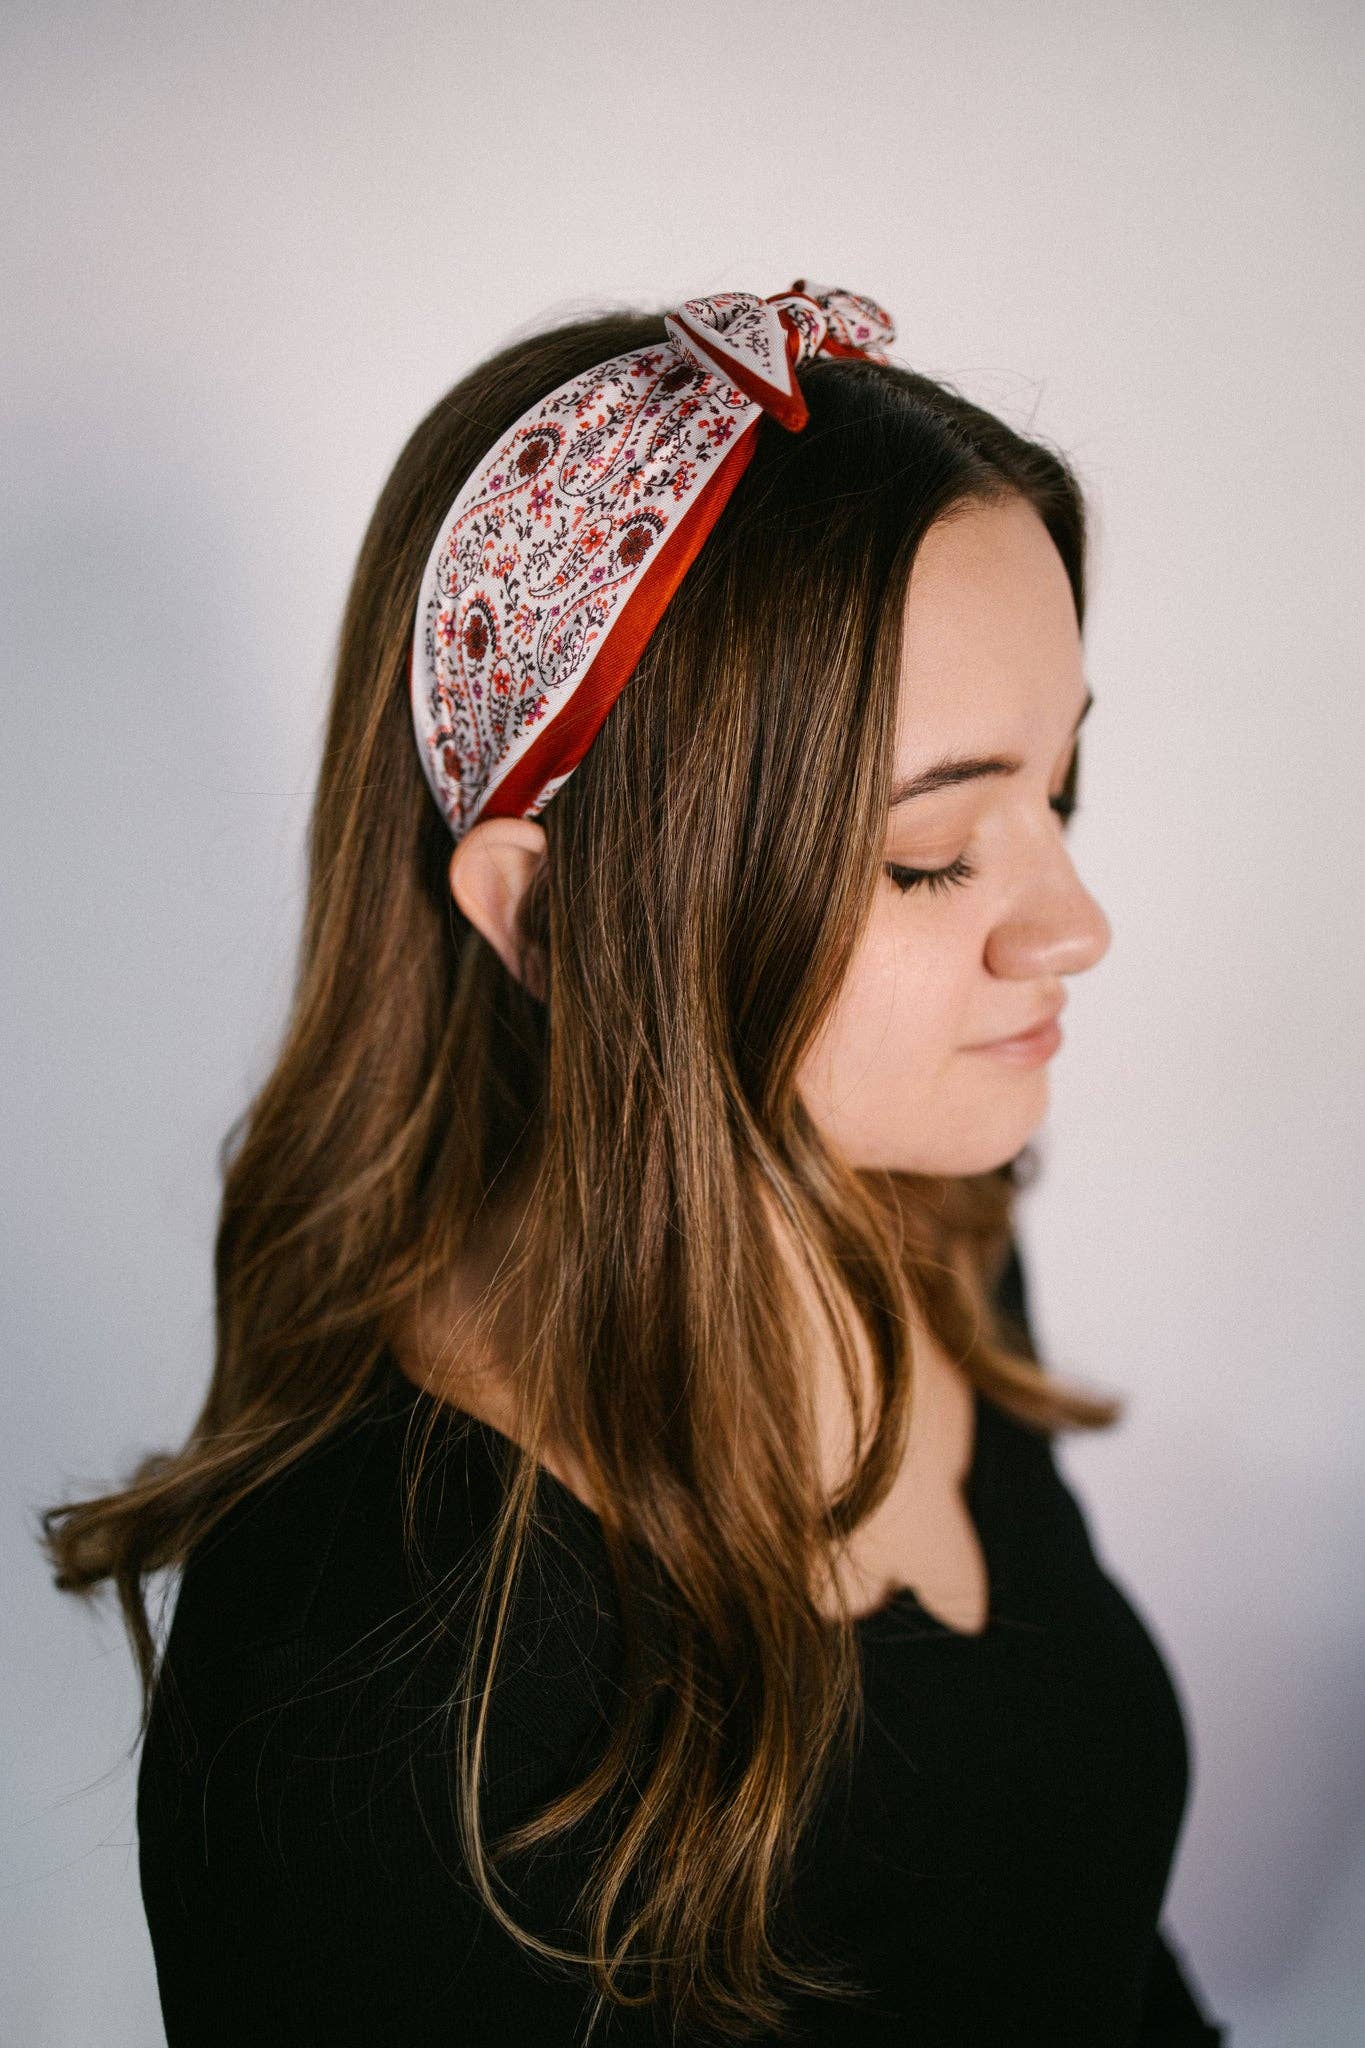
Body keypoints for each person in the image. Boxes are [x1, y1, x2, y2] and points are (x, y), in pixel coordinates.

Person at [42, 284, 1226, 2044]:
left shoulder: (932, 1229)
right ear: (544, 910)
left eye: (1059, 794)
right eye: (926, 859)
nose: (1074, 925)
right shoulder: (366, 1685)